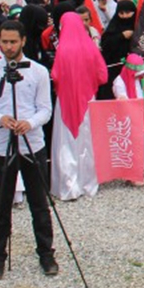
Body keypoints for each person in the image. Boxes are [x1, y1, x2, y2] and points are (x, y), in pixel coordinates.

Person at [0, 19, 57, 280]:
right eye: (4, 42)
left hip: (32, 143)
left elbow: (46, 109)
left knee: (39, 203)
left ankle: (46, 253)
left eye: (13, 42)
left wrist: (29, 123)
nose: (9, 47)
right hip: (1, 144)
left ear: (23, 41)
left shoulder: (38, 71)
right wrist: (0, 119)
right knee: (1, 204)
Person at [50, 12, 107, 201]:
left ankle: (68, 186)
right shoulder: (90, 47)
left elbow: (56, 76)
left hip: (65, 101)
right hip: (88, 99)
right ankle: (88, 182)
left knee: (66, 141)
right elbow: (103, 76)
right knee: (87, 140)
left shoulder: (62, 49)